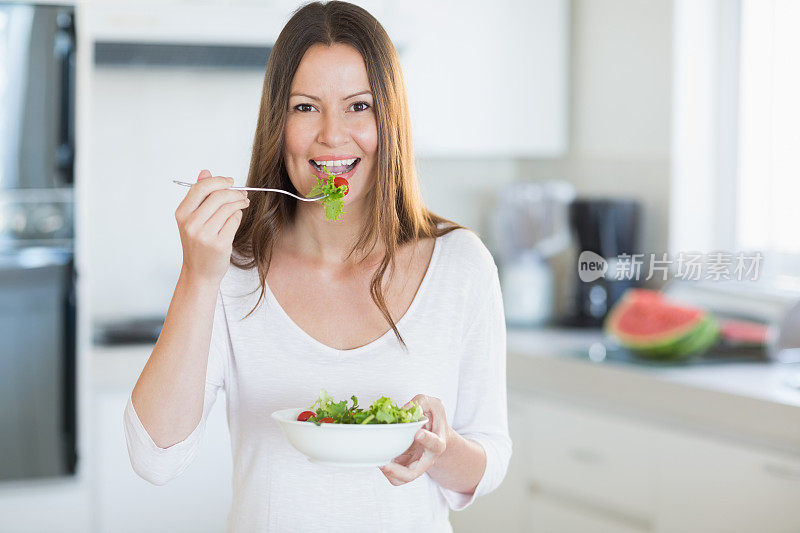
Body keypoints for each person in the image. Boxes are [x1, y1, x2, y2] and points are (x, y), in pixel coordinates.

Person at [124, 2, 511, 531]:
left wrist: (438, 450)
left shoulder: (461, 264)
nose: (332, 135)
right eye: (305, 107)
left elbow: (491, 457)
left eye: (358, 106)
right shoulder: (234, 268)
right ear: (277, 124)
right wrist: (199, 276)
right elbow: (154, 457)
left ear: (390, 118)